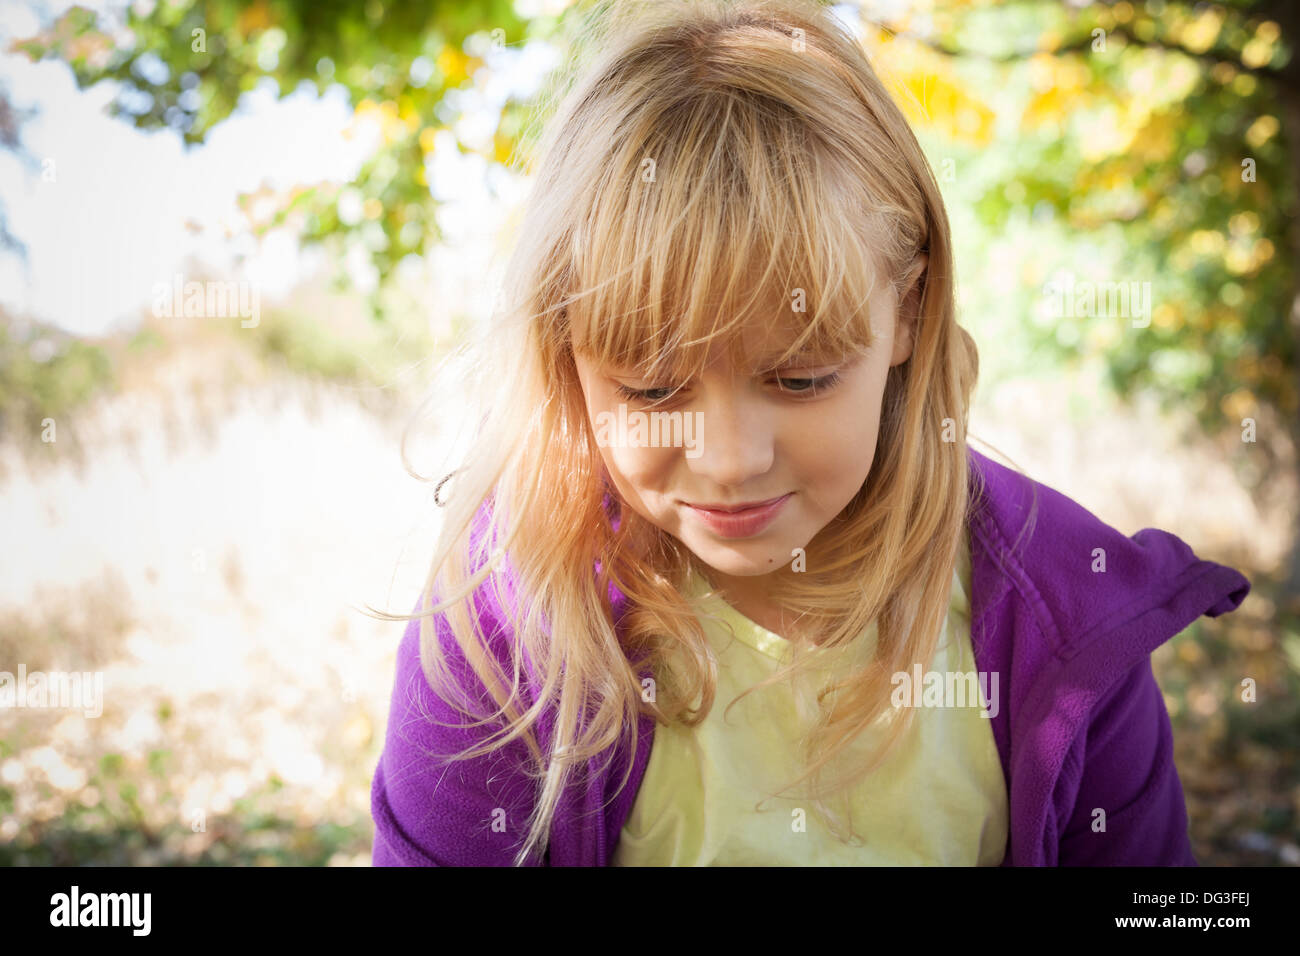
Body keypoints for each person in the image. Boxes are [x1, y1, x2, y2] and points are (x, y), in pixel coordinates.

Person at [369, 0, 1250, 866]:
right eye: (650, 388)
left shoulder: (1069, 617)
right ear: (566, 353)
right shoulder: (503, 628)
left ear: (907, 312)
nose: (729, 459)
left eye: (799, 379)